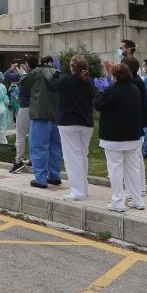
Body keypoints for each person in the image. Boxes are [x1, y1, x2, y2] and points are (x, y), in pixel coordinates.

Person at [94, 63, 146, 212]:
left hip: (113, 137)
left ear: (115, 76)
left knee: (115, 169)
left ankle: (117, 201)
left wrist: (100, 91)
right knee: (133, 169)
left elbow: (98, 105)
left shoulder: (110, 91)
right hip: (133, 135)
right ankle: (137, 199)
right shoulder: (134, 89)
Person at [49, 55, 96, 201]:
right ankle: (83, 189)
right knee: (82, 156)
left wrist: (56, 71)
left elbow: (52, 85)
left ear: (71, 67)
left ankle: (77, 192)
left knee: (72, 159)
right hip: (86, 123)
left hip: (68, 123)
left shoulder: (66, 80)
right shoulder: (89, 81)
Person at [19, 55, 61, 189]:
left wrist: (24, 72)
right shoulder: (57, 73)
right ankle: (54, 176)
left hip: (40, 114)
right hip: (56, 116)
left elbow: (24, 82)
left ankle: (40, 179)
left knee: (39, 147)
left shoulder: (37, 72)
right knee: (55, 148)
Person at [10, 59, 32, 173]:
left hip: (25, 108)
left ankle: (18, 161)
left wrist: (14, 69)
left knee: (20, 135)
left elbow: (7, 75)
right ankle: (33, 159)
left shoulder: (26, 77)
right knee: (33, 135)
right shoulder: (37, 76)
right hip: (35, 108)